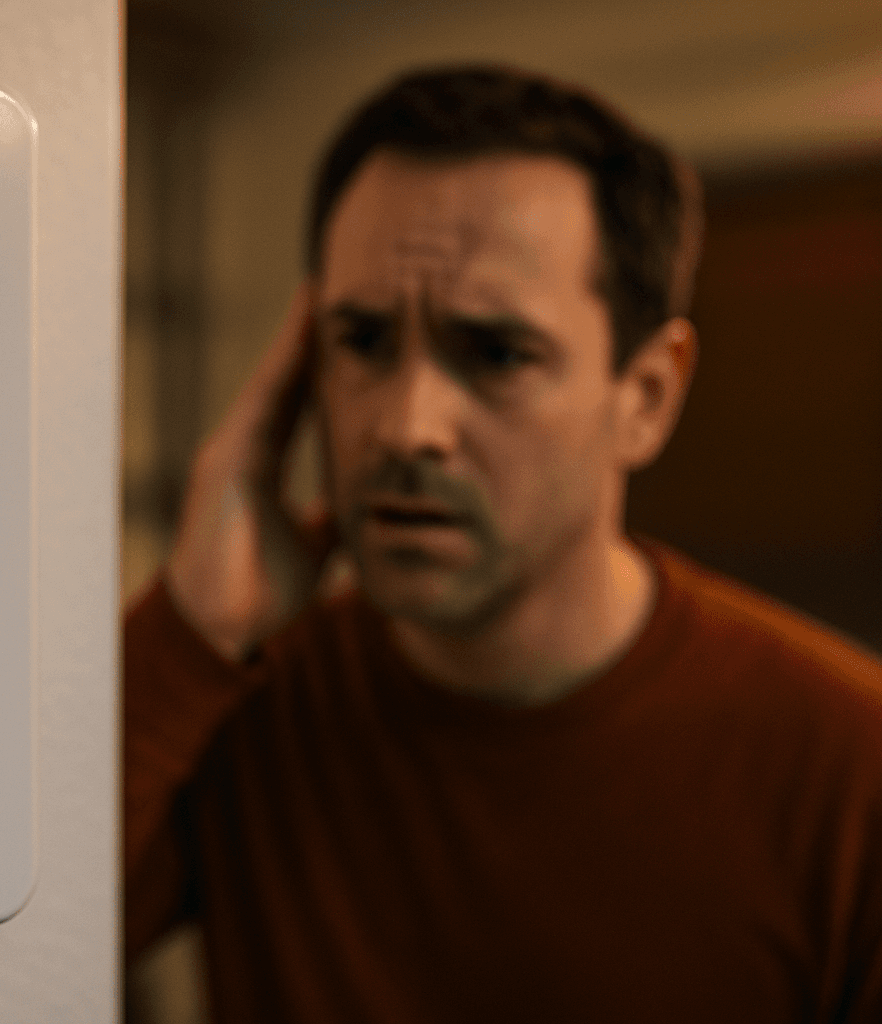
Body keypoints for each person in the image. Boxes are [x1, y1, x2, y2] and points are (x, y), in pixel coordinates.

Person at [124, 65, 882, 1022]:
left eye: (496, 354)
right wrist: (193, 631)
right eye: (361, 340)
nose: (406, 426)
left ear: (646, 396)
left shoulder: (849, 771)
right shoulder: (246, 700)